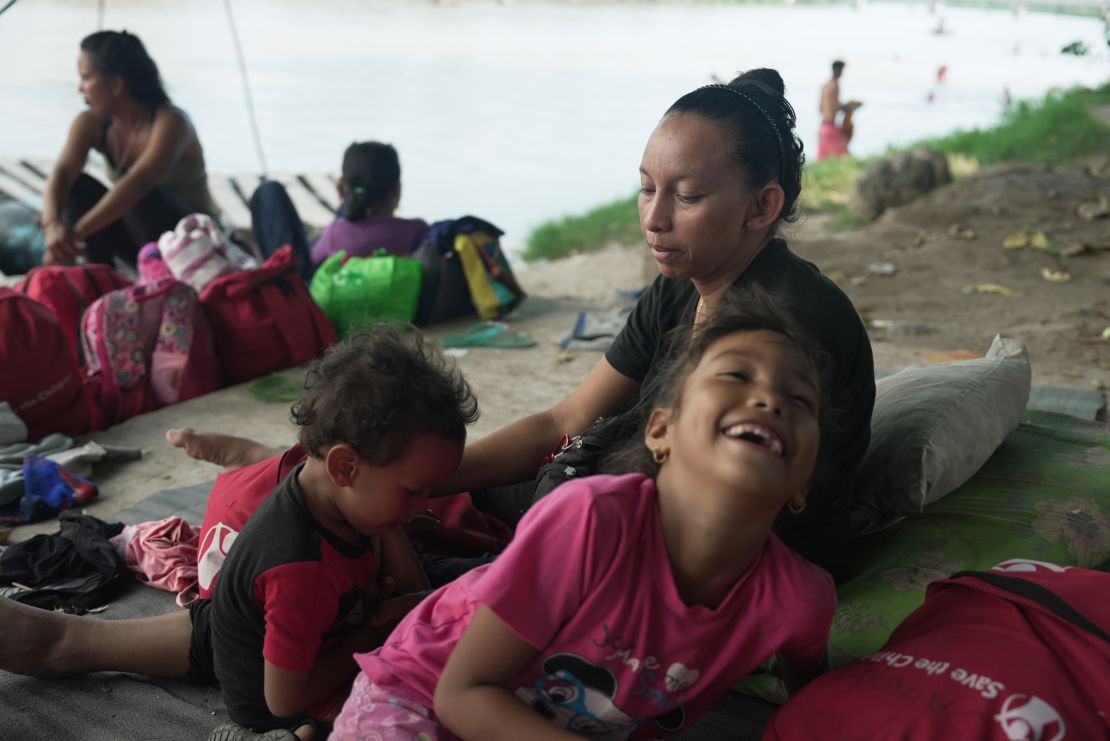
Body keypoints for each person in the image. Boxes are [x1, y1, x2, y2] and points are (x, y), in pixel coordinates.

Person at [171, 68, 876, 579]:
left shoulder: (784, 328)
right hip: (614, 490)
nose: (655, 218)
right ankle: (306, 473)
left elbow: (726, 512)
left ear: (761, 206)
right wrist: (430, 482)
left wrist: (548, 529)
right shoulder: (685, 282)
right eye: (645, 188)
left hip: (716, 548)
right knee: (407, 479)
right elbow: (564, 419)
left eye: (686, 195)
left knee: (385, 594)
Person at [328, 288, 839, 739]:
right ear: (660, 431)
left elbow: (823, 710)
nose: (769, 399)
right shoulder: (592, 519)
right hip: (420, 696)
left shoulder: (797, 600)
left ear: (804, 483)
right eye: (736, 374)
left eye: (799, 398)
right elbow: (462, 694)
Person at [0, 327, 479, 741]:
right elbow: (281, 696)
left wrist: (392, 542)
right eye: (415, 492)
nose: (423, 508)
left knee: (68, 642)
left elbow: (415, 592)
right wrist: (376, 628)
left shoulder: (344, 498)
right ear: (345, 465)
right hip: (275, 692)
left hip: (276, 626)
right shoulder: (299, 565)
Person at [40, 30, 222, 267]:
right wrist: (52, 225)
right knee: (77, 187)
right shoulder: (91, 122)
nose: (80, 88)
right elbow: (62, 173)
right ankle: (98, 276)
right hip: (139, 237)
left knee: (137, 196)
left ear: (116, 84)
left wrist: (74, 235)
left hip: (195, 240)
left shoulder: (172, 122)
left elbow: (138, 183)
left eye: (86, 78)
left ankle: (162, 280)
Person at [247, 141, 428, 280]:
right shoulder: (418, 230)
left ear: (341, 187)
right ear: (396, 190)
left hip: (312, 293)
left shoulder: (335, 234)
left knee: (269, 191)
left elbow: (309, 265)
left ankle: (351, 196)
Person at [817, 60, 863, 161]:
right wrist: (848, 107)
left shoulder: (824, 86)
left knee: (823, 161)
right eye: (842, 70)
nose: (842, 73)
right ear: (837, 70)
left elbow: (820, 109)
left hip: (823, 127)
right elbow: (835, 107)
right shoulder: (835, 85)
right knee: (844, 157)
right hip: (831, 128)